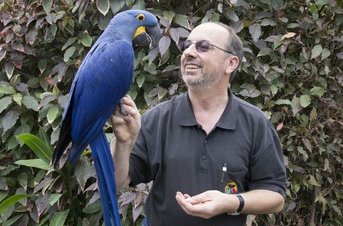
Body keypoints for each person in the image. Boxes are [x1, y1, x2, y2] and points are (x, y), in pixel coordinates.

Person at [110, 22, 287, 226]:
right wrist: (123, 143)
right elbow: (115, 184)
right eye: (187, 46)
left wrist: (231, 202)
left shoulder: (254, 123)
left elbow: (275, 196)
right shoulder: (157, 119)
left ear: (231, 63)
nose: (189, 53)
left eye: (203, 46)